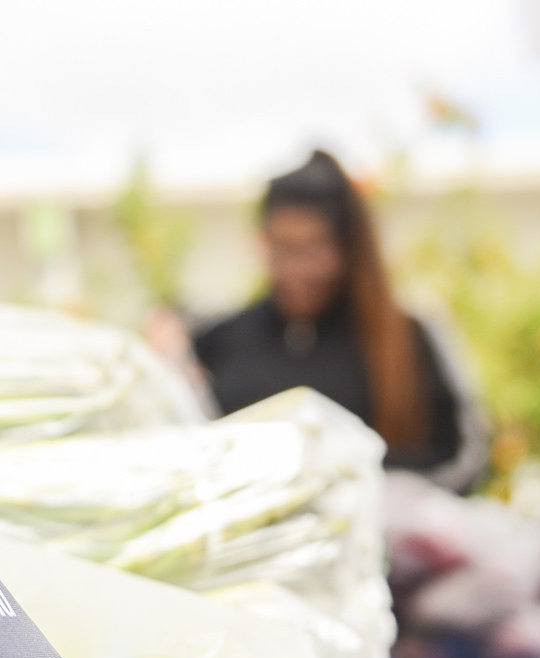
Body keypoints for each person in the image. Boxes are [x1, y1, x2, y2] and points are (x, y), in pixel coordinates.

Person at [194, 151, 490, 490]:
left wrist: (351, 487)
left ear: (349, 249)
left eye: (314, 248)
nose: (296, 269)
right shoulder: (225, 339)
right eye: (282, 249)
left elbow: (464, 459)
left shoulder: (407, 338)